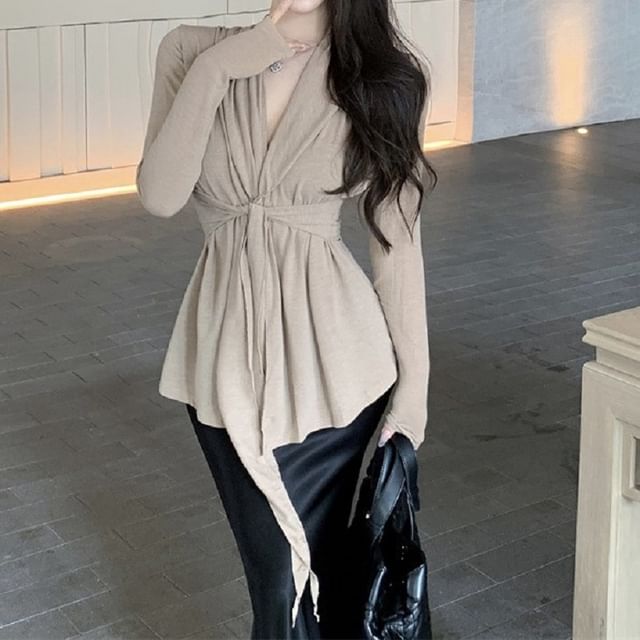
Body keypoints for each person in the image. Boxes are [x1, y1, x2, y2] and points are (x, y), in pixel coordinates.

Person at [136, 0, 436, 637]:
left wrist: (414, 392)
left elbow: (397, 244)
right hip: (224, 367)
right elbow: (160, 195)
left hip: (338, 374)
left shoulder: (382, 73)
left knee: (317, 579)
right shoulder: (192, 52)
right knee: (277, 580)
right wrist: (220, 69)